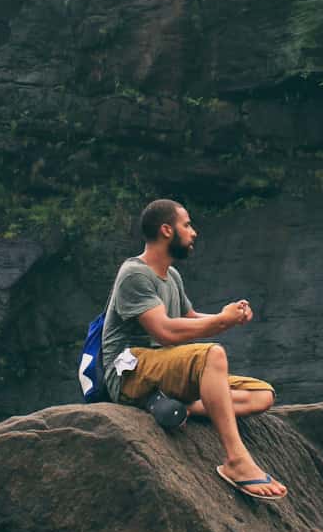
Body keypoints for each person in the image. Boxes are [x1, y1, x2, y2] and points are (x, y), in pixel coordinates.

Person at [100, 199, 287, 500]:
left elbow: (189, 318)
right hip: (129, 369)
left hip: (160, 366)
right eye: (186, 225)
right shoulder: (135, 274)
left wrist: (228, 317)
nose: (194, 232)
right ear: (166, 230)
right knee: (212, 354)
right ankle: (237, 461)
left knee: (262, 394)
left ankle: (177, 406)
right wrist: (220, 323)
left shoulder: (171, 276)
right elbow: (165, 330)